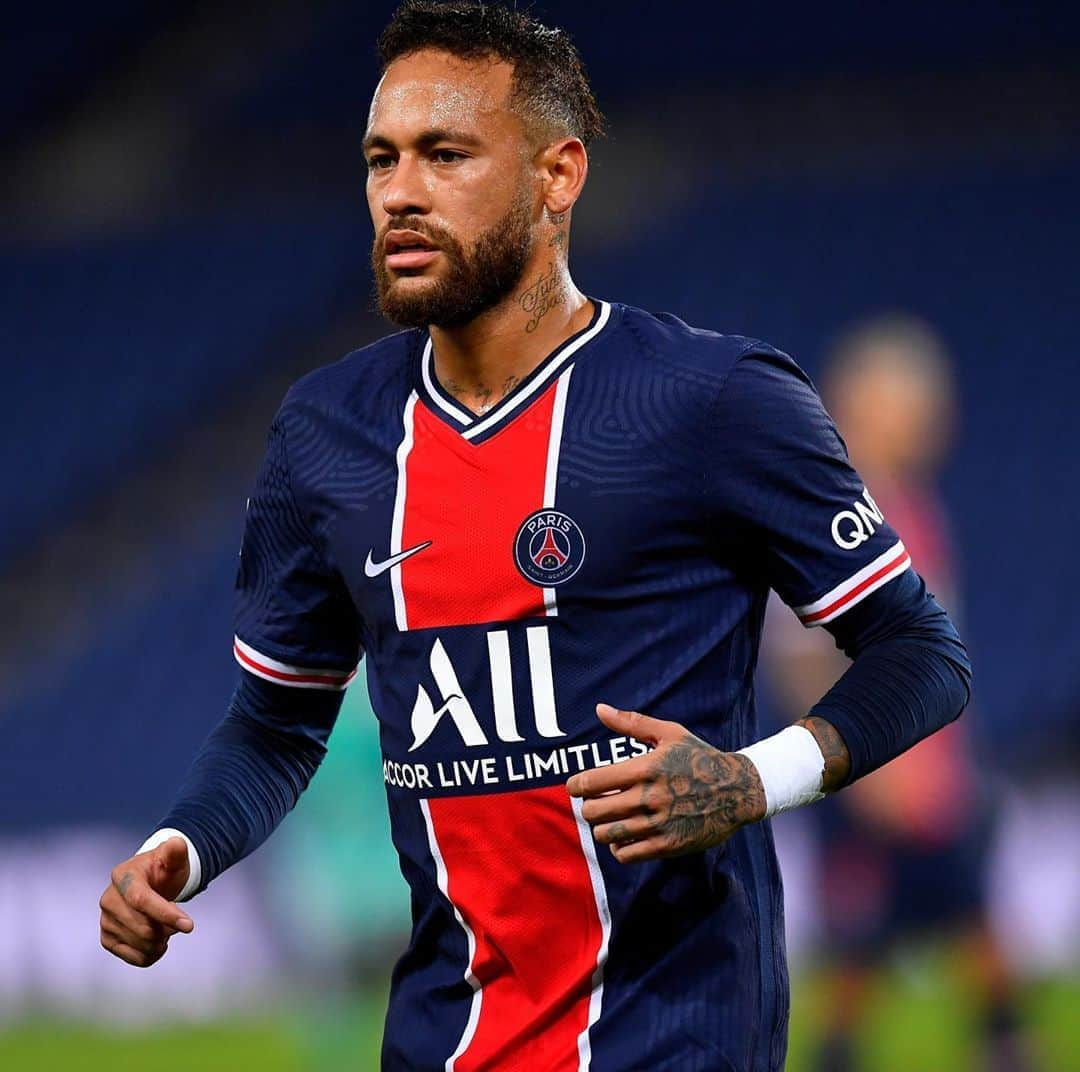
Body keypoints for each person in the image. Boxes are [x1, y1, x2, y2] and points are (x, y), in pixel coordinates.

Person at [98, 4, 972, 1069]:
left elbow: (921, 653)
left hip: (677, 1034)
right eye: (382, 159)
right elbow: (277, 725)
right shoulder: (324, 435)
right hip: (439, 1037)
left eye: (446, 154)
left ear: (558, 177)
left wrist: (750, 780)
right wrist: (176, 849)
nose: (401, 191)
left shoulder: (713, 401)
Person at [761, 315, 1031, 1072]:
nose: (933, 420)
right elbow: (798, 653)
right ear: (865, 405)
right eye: (915, 404)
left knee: (940, 915)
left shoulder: (907, 500)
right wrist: (866, 756)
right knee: (879, 928)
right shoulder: (834, 501)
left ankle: (999, 1042)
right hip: (871, 760)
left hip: (922, 762)